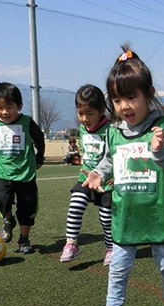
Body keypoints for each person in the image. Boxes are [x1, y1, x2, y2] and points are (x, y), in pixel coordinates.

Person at [82, 45, 164, 306]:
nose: (124, 106)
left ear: (148, 93)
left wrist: (161, 150)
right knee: (118, 267)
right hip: (125, 214)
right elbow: (109, 159)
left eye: (131, 97)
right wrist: (96, 173)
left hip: (158, 213)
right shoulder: (114, 132)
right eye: (116, 100)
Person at [0, 82, 45, 254]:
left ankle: (24, 239)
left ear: (19, 106)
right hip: (2, 172)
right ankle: (8, 220)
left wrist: (39, 157)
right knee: (0, 199)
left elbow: (39, 139)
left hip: (25, 173)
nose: (5, 112)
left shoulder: (27, 122)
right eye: (0, 107)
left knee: (27, 206)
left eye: (10, 107)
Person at [60, 85, 113, 266]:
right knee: (75, 206)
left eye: (89, 114)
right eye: (80, 113)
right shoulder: (82, 129)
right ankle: (71, 243)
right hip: (85, 179)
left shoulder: (111, 130)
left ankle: (111, 248)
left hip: (106, 183)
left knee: (106, 217)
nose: (84, 118)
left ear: (101, 111)